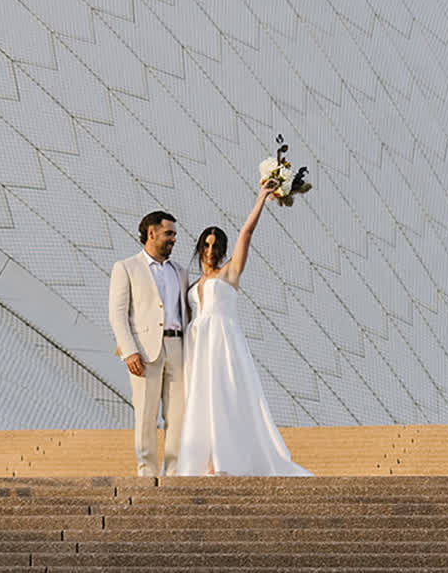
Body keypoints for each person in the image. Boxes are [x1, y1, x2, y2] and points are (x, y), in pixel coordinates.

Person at [176, 182, 311, 476]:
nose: (211, 251)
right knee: (200, 400)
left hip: (222, 345)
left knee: (223, 398)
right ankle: (207, 459)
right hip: (197, 347)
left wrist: (261, 198)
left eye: (217, 246)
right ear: (200, 248)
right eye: (207, 245)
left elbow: (246, 234)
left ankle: (222, 461)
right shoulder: (191, 282)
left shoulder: (230, 273)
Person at [108, 210, 190, 477]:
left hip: (178, 348)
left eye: (175, 234)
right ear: (151, 233)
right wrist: (129, 351)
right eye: (169, 233)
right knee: (146, 413)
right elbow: (118, 313)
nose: (174, 239)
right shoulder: (126, 267)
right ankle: (147, 471)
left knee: (177, 415)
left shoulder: (180, 272)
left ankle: (174, 471)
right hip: (145, 351)